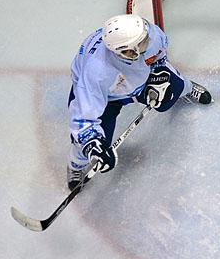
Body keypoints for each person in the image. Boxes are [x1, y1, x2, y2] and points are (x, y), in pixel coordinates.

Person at [67, 14, 211, 189]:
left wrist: (159, 72)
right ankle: (76, 166)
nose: (148, 42)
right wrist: (92, 145)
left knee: (176, 85)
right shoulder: (95, 73)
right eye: (142, 44)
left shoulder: (149, 35)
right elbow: (83, 120)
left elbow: (159, 57)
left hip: (137, 80)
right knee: (86, 144)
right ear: (126, 51)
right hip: (108, 98)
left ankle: (187, 88)